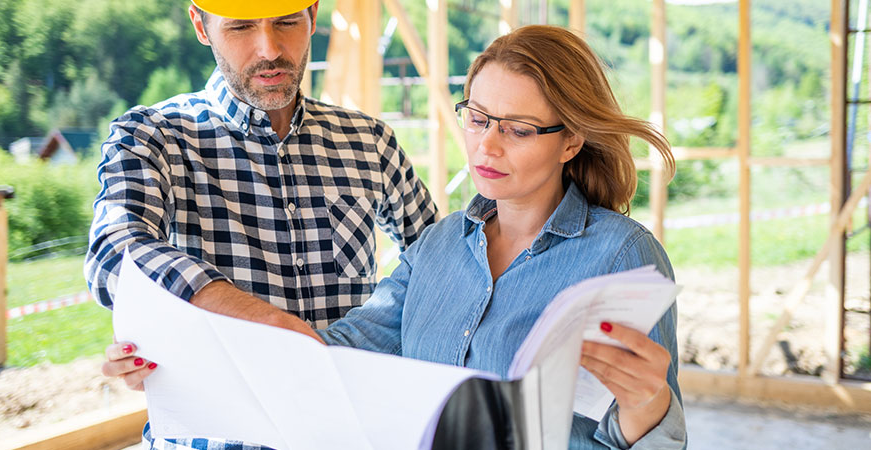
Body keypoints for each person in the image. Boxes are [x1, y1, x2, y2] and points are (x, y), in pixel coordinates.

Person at [110, 23, 685, 450]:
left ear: (571, 140)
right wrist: (177, 360)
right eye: (478, 117)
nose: (487, 145)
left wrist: (648, 406)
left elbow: (642, 430)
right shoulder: (435, 249)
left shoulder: (621, 255)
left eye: (519, 129)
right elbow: (329, 356)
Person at [91, 1, 435, 448]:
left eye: (287, 23)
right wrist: (258, 322)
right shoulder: (153, 137)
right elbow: (115, 251)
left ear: (312, 15)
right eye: (240, 28)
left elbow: (440, 261)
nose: (269, 49)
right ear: (201, 24)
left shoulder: (368, 141)